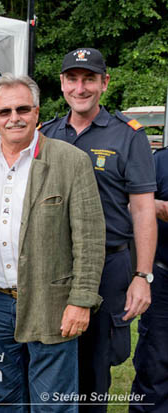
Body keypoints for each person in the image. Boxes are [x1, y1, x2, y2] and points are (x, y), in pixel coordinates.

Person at [0, 74, 105, 412]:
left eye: (22, 109)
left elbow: (90, 237)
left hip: (51, 299)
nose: (14, 118)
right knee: (2, 400)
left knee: (53, 404)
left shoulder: (70, 161)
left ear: (37, 112)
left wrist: (81, 300)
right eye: (5, 111)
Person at [39, 48, 156, 412]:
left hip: (108, 267)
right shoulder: (45, 134)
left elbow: (143, 211)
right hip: (54, 267)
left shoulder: (129, 136)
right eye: (72, 79)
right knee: (50, 363)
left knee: (95, 370)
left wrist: (142, 275)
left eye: (89, 79)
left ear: (104, 83)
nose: (80, 87)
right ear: (62, 84)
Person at [129, 146, 168, 412]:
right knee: (155, 361)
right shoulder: (160, 160)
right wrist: (158, 207)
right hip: (164, 275)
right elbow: (132, 202)